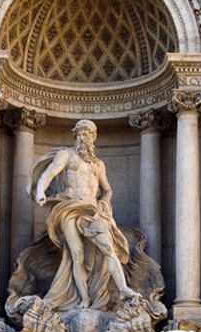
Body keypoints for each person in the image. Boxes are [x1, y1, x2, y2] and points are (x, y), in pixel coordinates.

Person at [30, 119, 139, 311]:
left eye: (88, 133)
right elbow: (48, 174)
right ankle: (84, 299)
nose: (84, 137)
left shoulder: (98, 164)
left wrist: (104, 203)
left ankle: (123, 288)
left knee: (108, 247)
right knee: (77, 255)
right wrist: (40, 191)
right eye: (80, 133)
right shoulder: (66, 155)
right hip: (69, 208)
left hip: (92, 211)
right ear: (75, 136)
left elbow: (107, 189)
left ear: (94, 137)